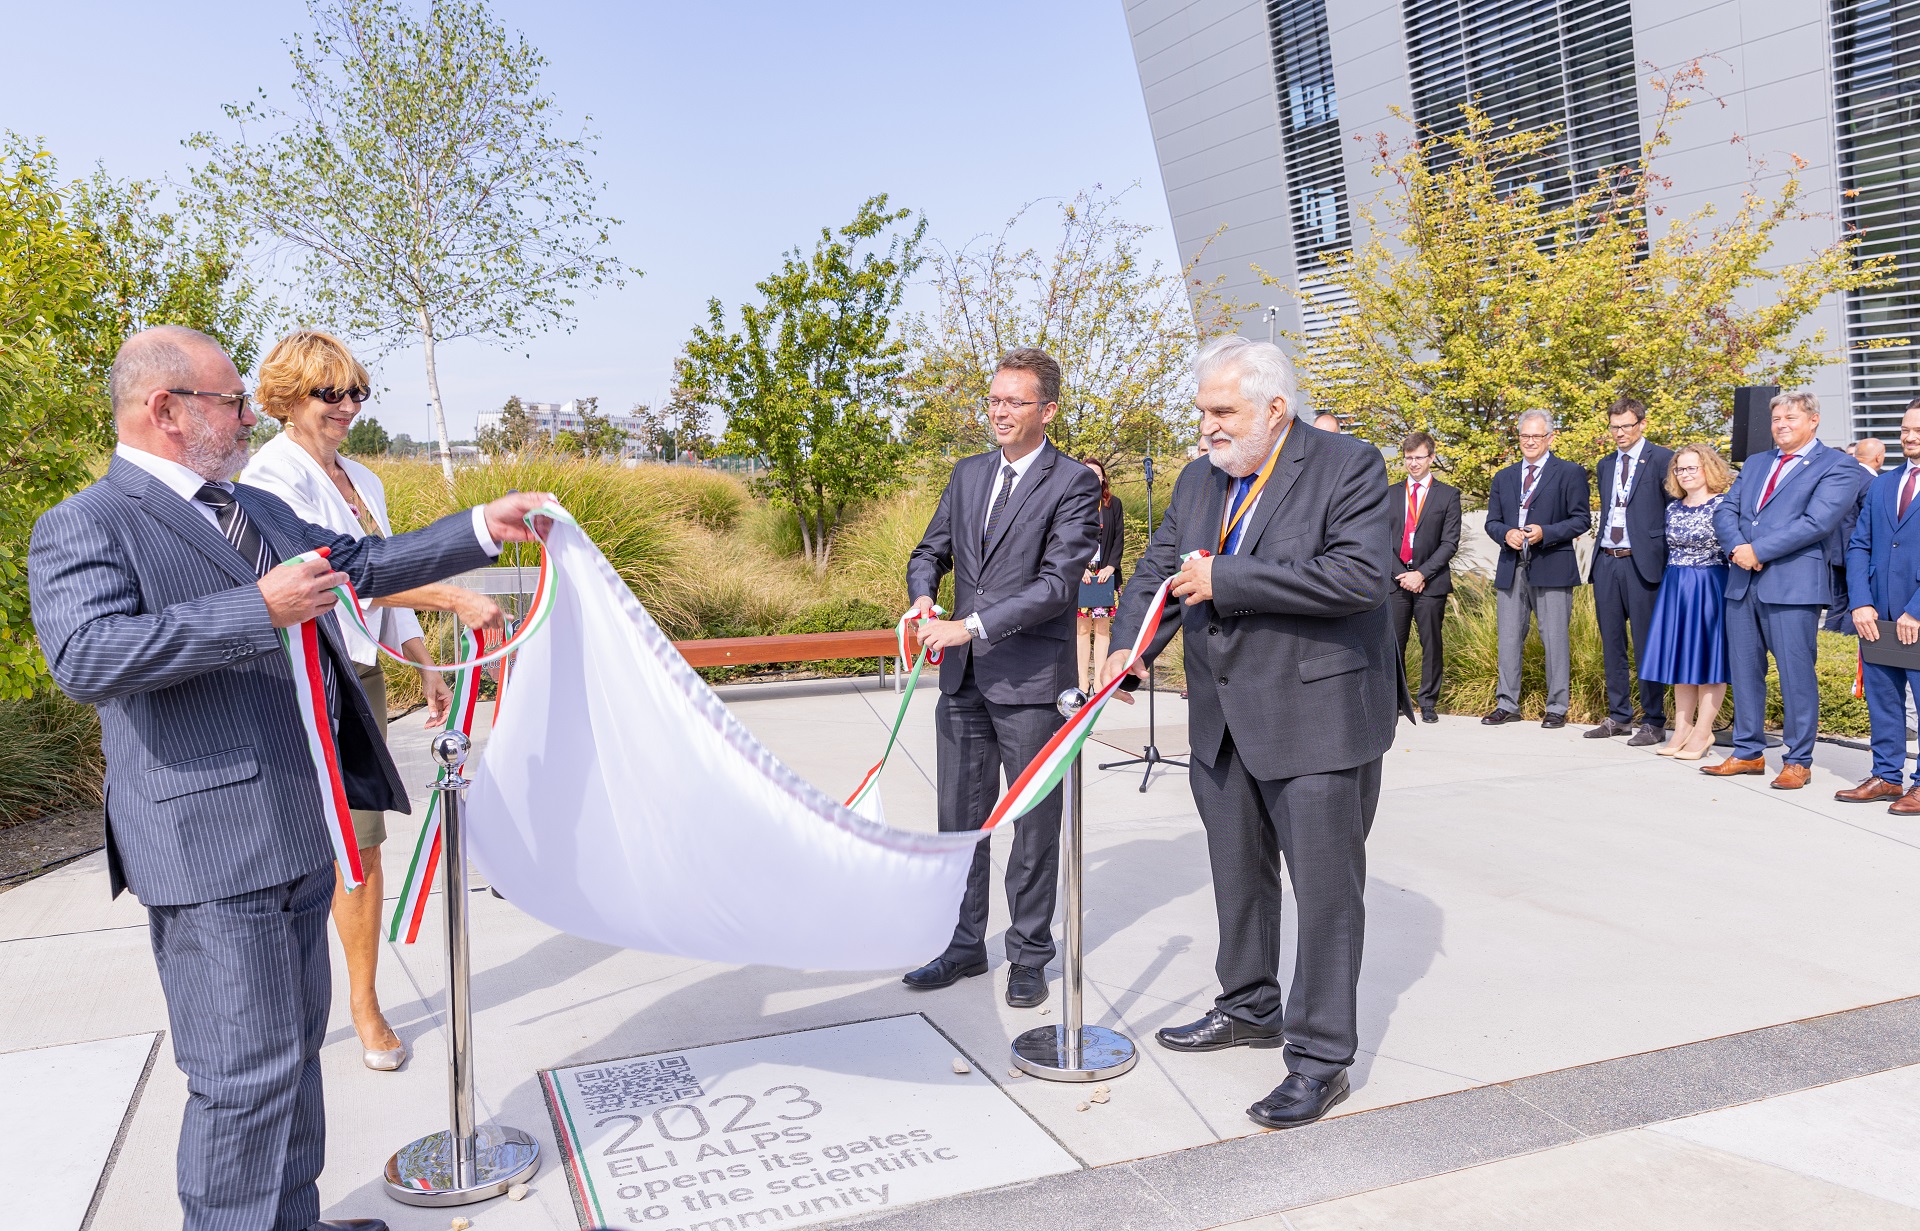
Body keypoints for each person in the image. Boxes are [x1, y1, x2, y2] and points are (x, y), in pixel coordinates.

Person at [27, 325, 554, 1231]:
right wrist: (253, 609)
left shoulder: (250, 508)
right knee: (242, 1080)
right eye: (231, 402)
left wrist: (478, 529)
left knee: (294, 1056)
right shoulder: (85, 523)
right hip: (211, 851)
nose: (243, 418)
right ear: (166, 410)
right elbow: (84, 657)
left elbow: (358, 563)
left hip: (301, 822)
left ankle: (294, 1221)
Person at [1101, 336, 1408, 1130]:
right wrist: (1126, 651)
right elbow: (1158, 569)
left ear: (1276, 409)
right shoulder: (1200, 479)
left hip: (1318, 722)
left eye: (1222, 410)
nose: (1207, 426)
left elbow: (1358, 576)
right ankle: (1247, 1005)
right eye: (1203, 410)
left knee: (1326, 895)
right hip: (1224, 721)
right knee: (1238, 875)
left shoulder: (1349, 465)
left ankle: (1318, 1058)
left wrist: (1226, 578)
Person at [241, 329, 506, 1072]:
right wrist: (454, 593)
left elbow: (382, 572)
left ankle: (363, 1000)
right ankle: (289, 1004)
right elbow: (334, 574)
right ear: (288, 398)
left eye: (357, 392)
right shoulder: (271, 478)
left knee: (360, 841)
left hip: (357, 675)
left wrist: (421, 661)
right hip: (295, 676)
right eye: (332, 393)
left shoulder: (363, 477)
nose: (349, 405)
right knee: (297, 848)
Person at [903, 348, 1100, 1008]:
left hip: (1032, 683)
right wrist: (925, 595)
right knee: (958, 823)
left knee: (1033, 825)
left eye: (1014, 401)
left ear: (1047, 409)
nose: (999, 412)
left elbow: (1055, 585)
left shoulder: (1072, 483)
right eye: (993, 400)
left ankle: (1028, 954)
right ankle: (962, 945)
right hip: (963, 682)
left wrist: (973, 625)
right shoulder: (966, 475)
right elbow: (929, 550)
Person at [1703, 391, 1858, 789]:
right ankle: (1748, 752)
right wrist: (1739, 548)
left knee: (1795, 674)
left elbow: (1816, 523)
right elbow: (1725, 509)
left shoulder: (1838, 465)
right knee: (1745, 670)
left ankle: (1798, 759)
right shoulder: (1756, 462)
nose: (1781, 425)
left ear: (1814, 420)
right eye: (1776, 419)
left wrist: (1758, 550)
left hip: (1792, 586)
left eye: (1790, 417)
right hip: (1743, 582)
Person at [1481, 411, 1592, 728]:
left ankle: (1556, 707)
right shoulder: (1504, 477)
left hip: (1553, 564)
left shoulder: (1569, 473)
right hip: (1511, 565)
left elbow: (1581, 519)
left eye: (1536, 436)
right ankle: (1507, 704)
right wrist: (1505, 534)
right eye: (1524, 436)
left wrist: (1546, 532)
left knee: (1555, 639)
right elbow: (1492, 521)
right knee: (1508, 639)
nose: (1530, 442)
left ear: (1550, 438)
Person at [1840, 401, 1920, 812]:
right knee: (1883, 700)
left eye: (1917, 429)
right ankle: (1888, 776)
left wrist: (1917, 609)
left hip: (1916, 617)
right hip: (1877, 617)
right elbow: (1859, 545)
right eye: (1905, 429)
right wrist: (1861, 602)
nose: (1909, 436)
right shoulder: (1883, 484)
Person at [1586, 398, 1675, 744]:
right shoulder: (1605, 465)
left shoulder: (1663, 459)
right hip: (1607, 560)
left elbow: (1672, 512)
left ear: (1642, 424)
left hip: (1643, 562)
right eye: (1614, 426)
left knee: (1646, 644)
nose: (1619, 433)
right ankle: (1619, 716)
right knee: (1612, 643)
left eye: (1626, 425)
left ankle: (1654, 720)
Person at [1638, 445, 1734, 759]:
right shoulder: (1673, 508)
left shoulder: (1723, 505)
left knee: (1708, 662)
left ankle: (1703, 733)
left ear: (1708, 469)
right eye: (1680, 469)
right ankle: (1681, 728)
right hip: (1676, 586)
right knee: (1681, 662)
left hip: (1709, 584)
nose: (1686, 474)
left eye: (1692, 468)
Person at [1388, 431, 1460, 722]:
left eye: (1419, 457)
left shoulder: (1447, 494)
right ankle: (1395, 702)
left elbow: (1450, 542)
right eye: (1408, 458)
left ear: (1431, 458)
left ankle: (1428, 702)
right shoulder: (1390, 493)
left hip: (1431, 582)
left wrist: (1421, 574)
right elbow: (1380, 538)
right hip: (1396, 582)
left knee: (1431, 643)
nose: (1413, 463)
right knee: (1394, 643)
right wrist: (1401, 574)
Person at [1074, 456, 1124, 693]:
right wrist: (1078, 566)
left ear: (1103, 477)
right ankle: (1083, 682)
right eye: (1088, 473)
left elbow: (1118, 540)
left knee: (1103, 627)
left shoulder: (1113, 504)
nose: (1094, 477)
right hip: (1081, 573)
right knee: (1082, 629)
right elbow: (1069, 540)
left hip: (1105, 573)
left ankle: (1102, 680)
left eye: (1097, 473)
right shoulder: (1072, 503)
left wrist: (1111, 567)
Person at [1824, 437, 1883, 633]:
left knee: (1837, 601)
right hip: (1856, 551)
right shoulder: (1872, 482)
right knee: (1857, 599)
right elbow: (1873, 521)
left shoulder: (1838, 476)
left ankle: (1832, 635)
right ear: (1879, 457)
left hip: (1832, 548)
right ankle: (1845, 637)